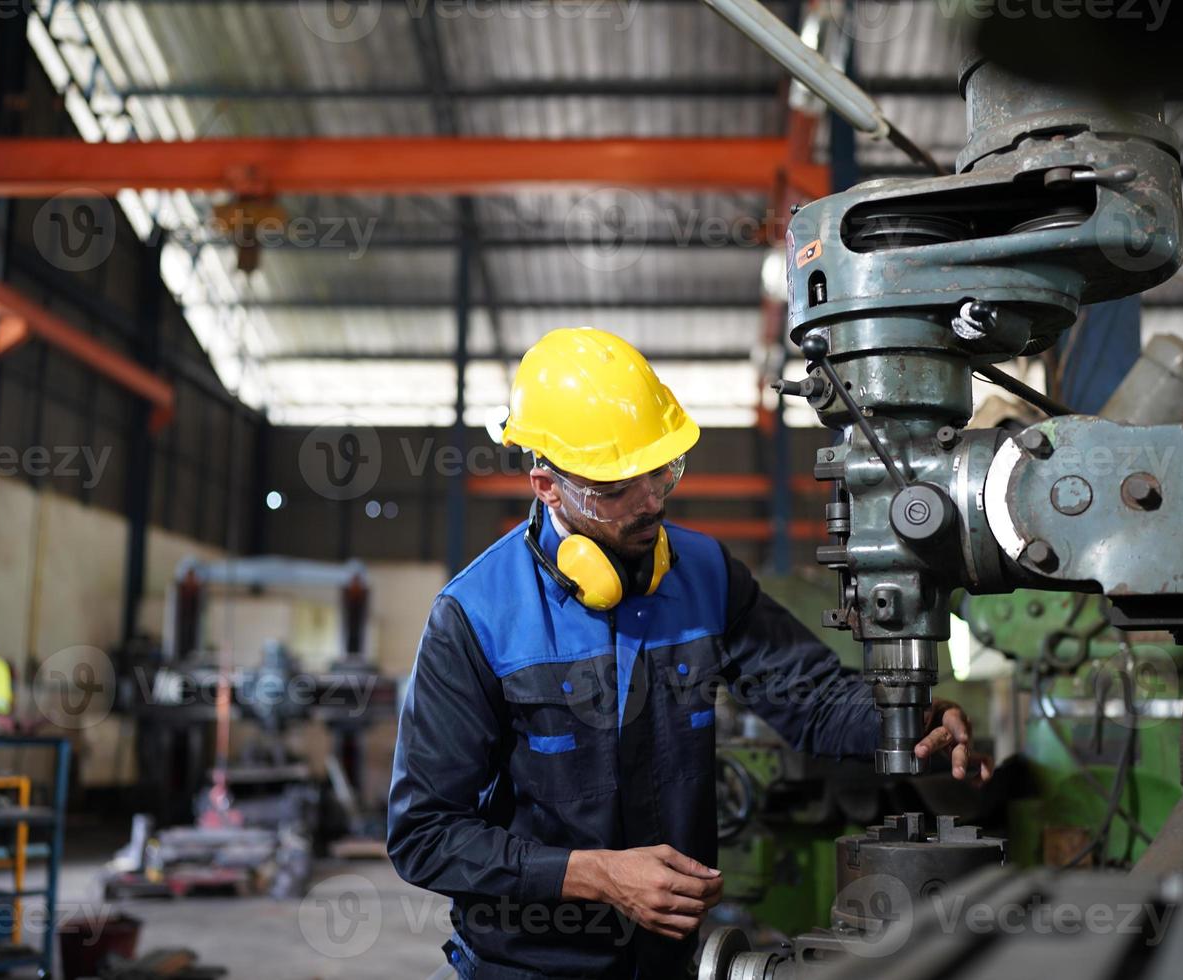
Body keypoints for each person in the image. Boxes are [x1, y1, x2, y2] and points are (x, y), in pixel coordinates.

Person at [389, 328, 990, 979]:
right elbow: (425, 834)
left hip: (670, 957)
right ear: (548, 487)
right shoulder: (474, 616)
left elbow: (809, 696)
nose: (651, 500)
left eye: (661, 469)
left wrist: (909, 717)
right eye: (617, 488)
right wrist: (595, 876)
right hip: (527, 964)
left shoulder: (703, 572)